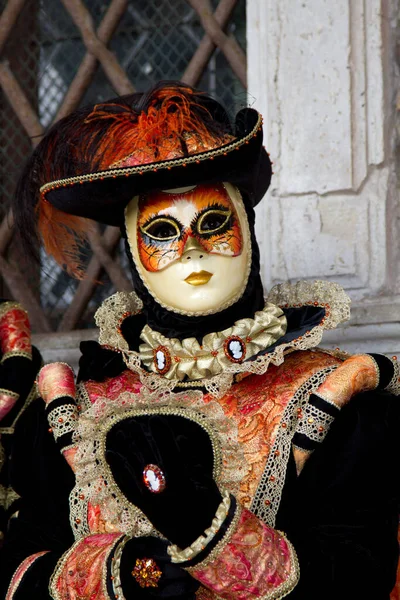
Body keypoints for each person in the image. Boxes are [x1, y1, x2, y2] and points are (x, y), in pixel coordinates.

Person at [0, 82, 399, 600]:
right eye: (162, 231)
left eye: (213, 223)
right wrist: (119, 572)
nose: (191, 249)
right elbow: (18, 569)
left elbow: (355, 577)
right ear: (132, 253)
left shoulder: (338, 401)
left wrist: (204, 524)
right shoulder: (79, 406)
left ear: (247, 228)